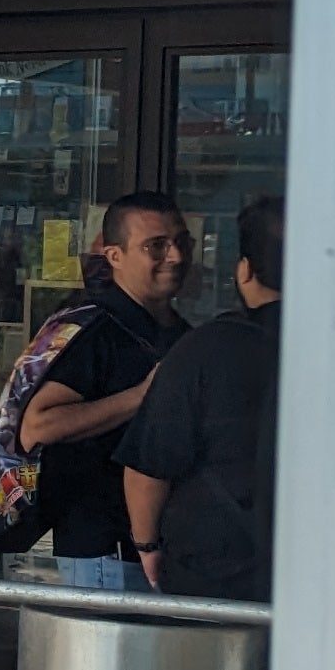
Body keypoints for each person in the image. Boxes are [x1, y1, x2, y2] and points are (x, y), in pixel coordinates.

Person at [16, 189, 193, 588]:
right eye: (156, 246)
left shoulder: (176, 330)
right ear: (115, 256)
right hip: (105, 550)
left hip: (157, 549)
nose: (176, 256)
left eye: (182, 242)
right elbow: (37, 425)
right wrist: (143, 395)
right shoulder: (93, 329)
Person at [124, 194, 284, 601]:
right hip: (327, 572)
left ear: (245, 271)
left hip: (216, 573)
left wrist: (147, 547)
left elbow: (148, 470)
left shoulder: (206, 348)